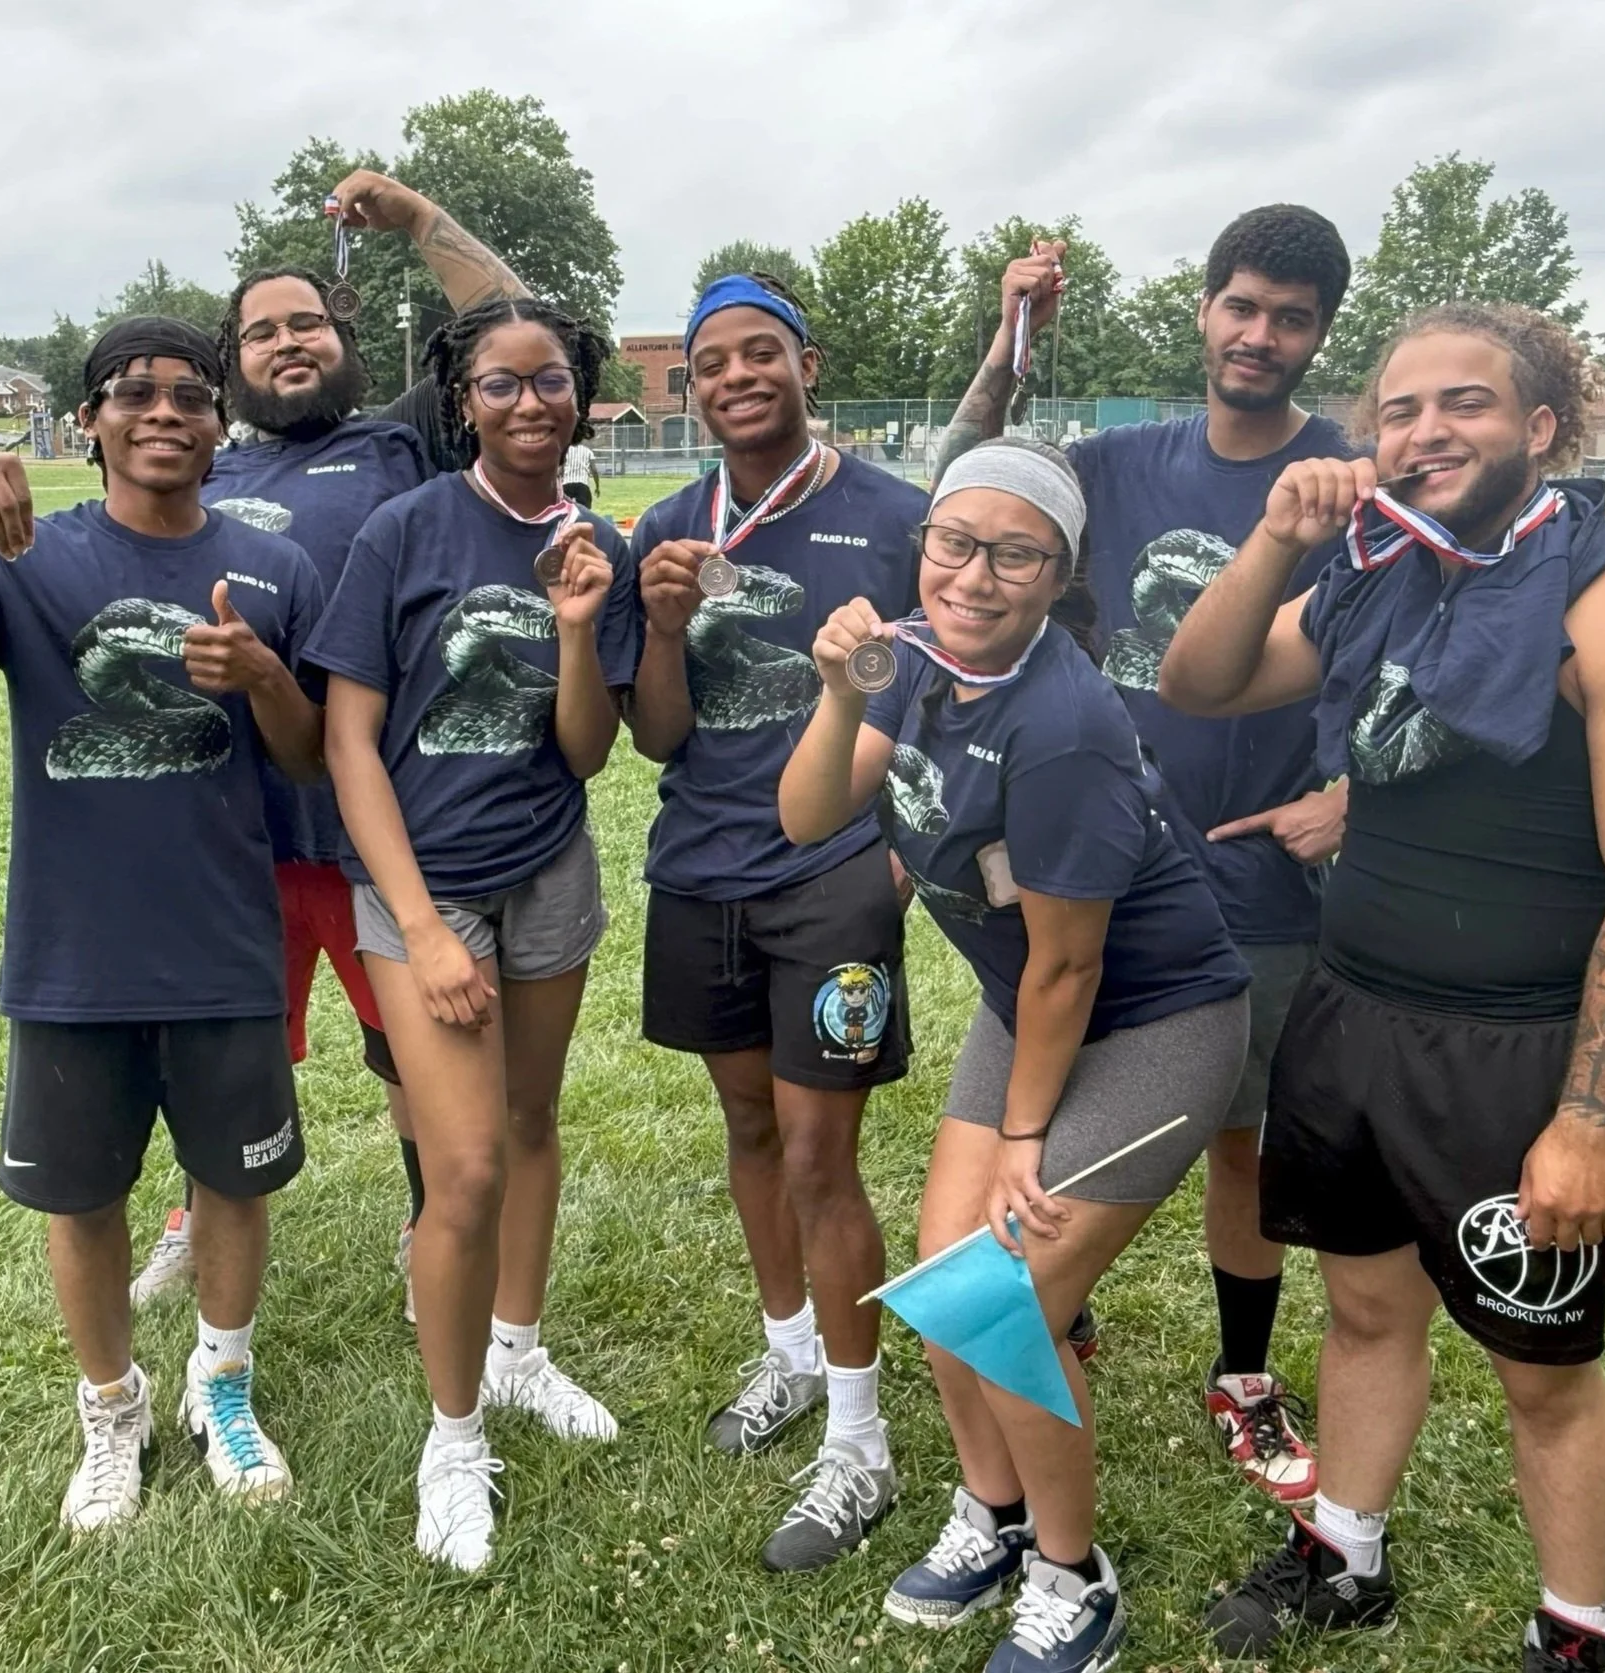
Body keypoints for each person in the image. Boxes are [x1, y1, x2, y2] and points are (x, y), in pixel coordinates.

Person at [1158, 304, 1605, 1671]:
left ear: (1540, 427)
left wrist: (1590, 1124)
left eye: (1463, 404)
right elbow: (1200, 679)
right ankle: (1344, 1551)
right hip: (1353, 1013)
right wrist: (1282, 536)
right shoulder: (1370, 577)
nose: (1424, 433)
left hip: (1515, 1047)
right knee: (1362, 1309)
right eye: (1399, 411)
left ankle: (1582, 1634)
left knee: (1543, 1374)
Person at [0, 318, 326, 1532]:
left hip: (223, 945)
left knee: (231, 1182)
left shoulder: (272, 564)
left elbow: (312, 759)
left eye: (189, 394)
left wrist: (263, 676)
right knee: (83, 1197)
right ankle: (112, 1402)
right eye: (133, 392)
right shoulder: (24, 554)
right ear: (93, 420)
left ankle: (223, 1380)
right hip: (72, 952)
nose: (163, 410)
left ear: (221, 425)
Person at [781, 438, 1252, 1672]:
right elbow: (808, 811)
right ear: (923, 542)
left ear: (1059, 575)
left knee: (1004, 1298)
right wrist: (839, 693)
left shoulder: (1067, 721)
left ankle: (1071, 1571)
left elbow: (1071, 967)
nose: (976, 576)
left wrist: (1024, 1141)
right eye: (954, 542)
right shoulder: (906, 650)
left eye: (1015, 554)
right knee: (947, 1289)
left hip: (1154, 1020)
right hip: (1028, 1001)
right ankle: (991, 1513)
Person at [934, 205, 1359, 1501]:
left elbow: (1420, 649)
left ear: (1318, 334)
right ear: (1204, 309)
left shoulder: (1343, 480)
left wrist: (1357, 795)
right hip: (1096, 870)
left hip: (1263, 875)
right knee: (1047, 1104)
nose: (1259, 333)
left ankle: (1242, 1375)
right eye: (1241, 304)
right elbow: (970, 468)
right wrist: (1013, 338)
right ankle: (1051, 1310)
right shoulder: (1123, 462)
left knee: (1247, 1142)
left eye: (1290, 316)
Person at [128, 170, 538, 1315]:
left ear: (342, 330)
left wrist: (416, 218)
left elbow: (516, 329)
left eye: (305, 320)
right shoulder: (201, 461)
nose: (286, 342)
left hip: (375, 828)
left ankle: (429, 1232)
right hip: (232, 831)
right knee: (216, 1047)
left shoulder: (404, 442)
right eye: (259, 331)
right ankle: (188, 1215)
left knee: (411, 1052)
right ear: (228, 365)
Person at [308, 296, 636, 1569]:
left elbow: (587, 750)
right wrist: (425, 932)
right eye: (499, 385)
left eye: (548, 381)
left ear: (580, 396)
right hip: (421, 887)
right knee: (467, 1171)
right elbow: (348, 738)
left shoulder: (588, 542)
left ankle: (517, 1353)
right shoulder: (404, 529)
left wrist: (572, 628)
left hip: (546, 871)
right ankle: (452, 1440)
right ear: (463, 402)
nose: (527, 404)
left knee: (536, 1125)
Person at [628, 274, 926, 1570]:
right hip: (700, 870)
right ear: (690, 390)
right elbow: (654, 731)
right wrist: (658, 621)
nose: (737, 376)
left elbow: (930, 690)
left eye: (762, 354)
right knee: (749, 1126)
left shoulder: (895, 518)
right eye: (711, 363)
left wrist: (901, 849)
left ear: (808, 365)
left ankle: (860, 1442)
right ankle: (791, 1352)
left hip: (832, 879)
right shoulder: (667, 522)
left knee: (820, 1155)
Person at [562, 436, 599, 507]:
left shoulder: (565, 451)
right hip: (582, 485)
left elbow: (560, 470)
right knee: (584, 512)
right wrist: (597, 487)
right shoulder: (588, 452)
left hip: (566, 484)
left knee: (565, 512)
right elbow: (594, 470)